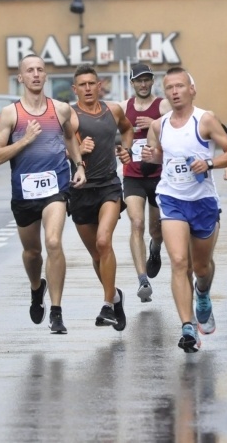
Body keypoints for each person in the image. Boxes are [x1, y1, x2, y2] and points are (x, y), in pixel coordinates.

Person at [141, 67, 227, 353]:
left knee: (201, 267)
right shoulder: (158, 126)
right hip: (171, 198)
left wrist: (210, 164)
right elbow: (160, 156)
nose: (174, 92)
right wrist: (153, 156)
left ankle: (203, 293)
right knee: (178, 261)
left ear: (191, 89)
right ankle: (187, 328)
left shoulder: (205, 120)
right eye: (169, 87)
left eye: (179, 86)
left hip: (203, 202)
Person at [0, 54, 86, 335]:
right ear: (21, 77)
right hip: (24, 193)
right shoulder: (11, 114)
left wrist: (78, 165)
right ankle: (36, 287)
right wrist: (26, 140)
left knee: (53, 241)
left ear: (46, 76)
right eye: (29, 71)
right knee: (33, 253)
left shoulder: (60, 110)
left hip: (56, 186)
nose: (35, 74)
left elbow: (70, 137)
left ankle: (56, 311)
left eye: (40, 70)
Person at [70, 63, 134, 331]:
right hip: (80, 190)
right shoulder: (70, 116)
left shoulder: (113, 110)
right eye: (82, 85)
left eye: (91, 83)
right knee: (97, 255)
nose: (87, 88)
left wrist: (126, 150)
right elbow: (63, 145)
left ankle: (107, 305)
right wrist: (78, 150)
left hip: (109, 186)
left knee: (104, 241)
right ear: (75, 90)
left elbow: (128, 129)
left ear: (99, 86)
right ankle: (115, 296)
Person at [120, 63, 171, 303]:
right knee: (137, 223)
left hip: (159, 175)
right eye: (139, 80)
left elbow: (176, 129)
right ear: (132, 83)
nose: (143, 84)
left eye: (147, 80)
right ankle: (142, 279)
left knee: (156, 229)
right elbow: (111, 134)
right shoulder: (123, 108)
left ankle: (155, 248)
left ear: (152, 82)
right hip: (132, 175)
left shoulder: (162, 106)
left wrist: (154, 124)